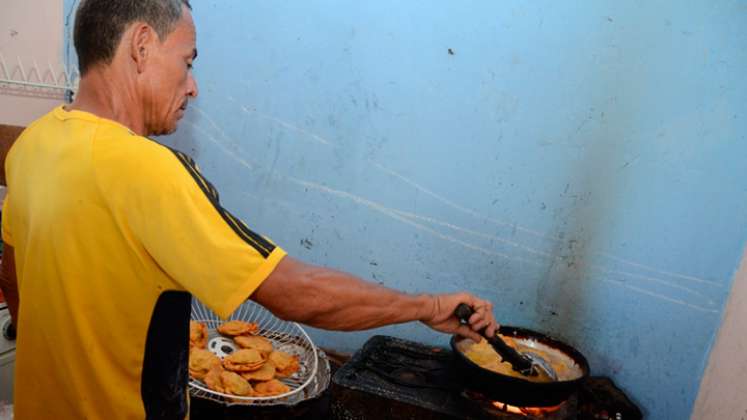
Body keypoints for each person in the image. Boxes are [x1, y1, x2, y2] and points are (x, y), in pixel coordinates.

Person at [0, 1, 498, 419]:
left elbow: (13, 272)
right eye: (188, 61)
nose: (192, 86)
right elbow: (293, 293)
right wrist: (428, 307)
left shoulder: (32, 145)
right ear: (142, 45)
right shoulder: (146, 168)